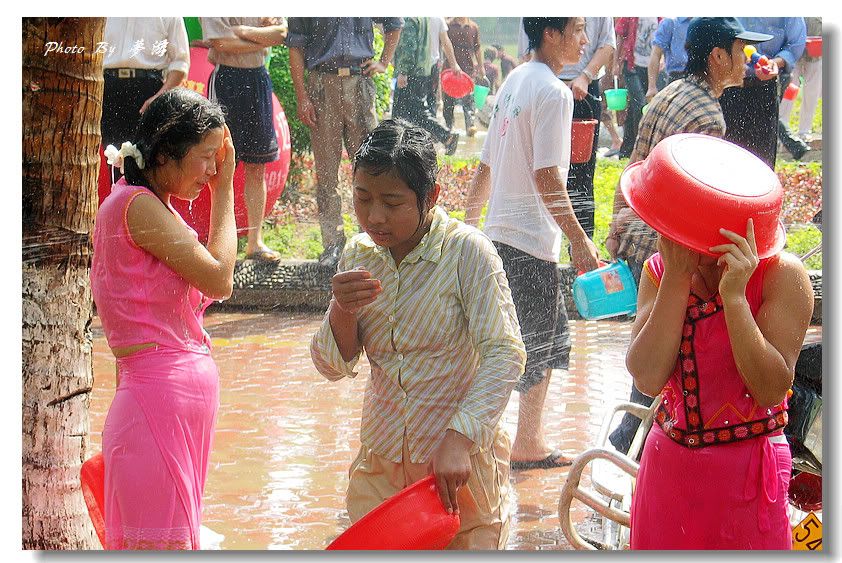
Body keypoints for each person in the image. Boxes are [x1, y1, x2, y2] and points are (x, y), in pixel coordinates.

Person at [310, 119, 526, 549]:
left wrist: (459, 438)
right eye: (362, 198)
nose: (375, 216)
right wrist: (343, 310)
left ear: (430, 197)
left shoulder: (467, 252)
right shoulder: (359, 253)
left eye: (392, 202)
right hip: (382, 461)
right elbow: (334, 366)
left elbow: (505, 354)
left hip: (456, 469)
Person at [621, 136, 813, 549]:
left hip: (748, 476)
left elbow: (769, 388)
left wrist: (735, 298)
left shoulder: (783, 276)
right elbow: (648, 377)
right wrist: (676, 277)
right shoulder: (662, 270)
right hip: (667, 472)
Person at [605, 17, 774, 453]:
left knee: (650, 361)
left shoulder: (668, 95)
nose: (745, 59)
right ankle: (637, 446)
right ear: (717, 57)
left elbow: (635, 165)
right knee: (673, 364)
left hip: (645, 238)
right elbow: (703, 206)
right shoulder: (708, 117)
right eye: (739, 50)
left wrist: (614, 227)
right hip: (677, 251)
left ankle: (630, 441)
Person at [92, 88, 236, 550]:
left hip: (168, 403)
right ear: (165, 152)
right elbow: (219, 278)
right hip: (157, 403)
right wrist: (228, 188)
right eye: (207, 157)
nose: (214, 170)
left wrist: (219, 180)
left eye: (219, 159)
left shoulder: (151, 205)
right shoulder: (134, 205)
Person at [466, 17, 601, 470]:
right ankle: (517, 443)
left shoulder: (512, 81)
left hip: (498, 237)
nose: (585, 39)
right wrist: (579, 240)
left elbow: (485, 166)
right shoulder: (555, 92)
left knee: (506, 343)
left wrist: (469, 227)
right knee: (540, 344)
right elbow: (548, 177)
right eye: (578, 29)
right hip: (529, 244)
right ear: (551, 33)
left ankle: (497, 440)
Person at [287, 17, 403, 268]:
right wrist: (301, 97)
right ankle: (333, 245)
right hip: (320, 85)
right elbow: (295, 46)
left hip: (359, 84)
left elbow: (394, 23)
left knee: (372, 169)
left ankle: (372, 242)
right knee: (327, 174)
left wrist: (384, 62)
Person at [519, 17, 615, 241]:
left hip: (582, 90)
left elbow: (607, 44)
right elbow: (528, 47)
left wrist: (585, 76)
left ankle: (581, 246)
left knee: (581, 174)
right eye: (579, 31)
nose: (585, 40)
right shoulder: (537, 85)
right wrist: (549, 82)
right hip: (545, 85)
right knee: (544, 167)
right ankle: (552, 238)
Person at [200, 17, 287, 262]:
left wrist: (241, 32)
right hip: (226, 79)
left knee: (257, 167)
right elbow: (221, 43)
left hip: (258, 79)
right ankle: (217, 245)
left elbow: (281, 33)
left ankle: (254, 243)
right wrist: (260, 38)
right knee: (219, 163)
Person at [719, 17, 808, 166]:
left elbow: (794, 44)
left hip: (766, 84)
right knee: (729, 145)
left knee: (762, 149)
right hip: (729, 83)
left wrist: (774, 63)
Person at [101, 18, 190, 156]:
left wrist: (159, 97)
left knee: (147, 157)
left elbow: (180, 62)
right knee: (113, 156)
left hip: (150, 91)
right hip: (108, 87)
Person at [392, 17, 460, 155]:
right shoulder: (424, 18)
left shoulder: (411, 18)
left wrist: (403, 71)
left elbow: (409, 46)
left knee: (413, 112)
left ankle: (446, 136)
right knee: (412, 111)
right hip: (425, 70)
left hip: (412, 72)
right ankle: (405, 147)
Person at [614, 17, 660, 160]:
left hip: (651, 68)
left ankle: (628, 149)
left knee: (638, 108)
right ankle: (637, 150)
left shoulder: (661, 17)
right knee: (639, 105)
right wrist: (616, 62)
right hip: (631, 66)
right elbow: (620, 35)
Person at [778, 17, 822, 142]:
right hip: (793, 54)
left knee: (812, 93)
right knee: (789, 90)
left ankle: (804, 130)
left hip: (816, 54)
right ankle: (782, 129)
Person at [443, 17, 483, 137]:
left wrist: (481, 66)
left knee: (468, 100)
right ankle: (448, 128)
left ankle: (470, 126)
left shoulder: (473, 27)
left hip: (468, 70)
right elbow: (444, 44)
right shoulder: (448, 25)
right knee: (448, 101)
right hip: (450, 70)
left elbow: (477, 48)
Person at [646, 17, 691, 102]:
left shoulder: (705, 22)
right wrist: (652, 86)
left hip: (702, 78)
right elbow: (656, 54)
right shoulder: (671, 22)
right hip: (677, 78)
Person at [426, 17, 463, 117]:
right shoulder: (438, 18)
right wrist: (454, 64)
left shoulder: (437, 18)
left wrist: (454, 64)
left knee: (415, 102)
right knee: (430, 101)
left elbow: (446, 42)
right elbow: (445, 42)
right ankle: (430, 127)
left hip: (419, 65)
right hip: (432, 65)